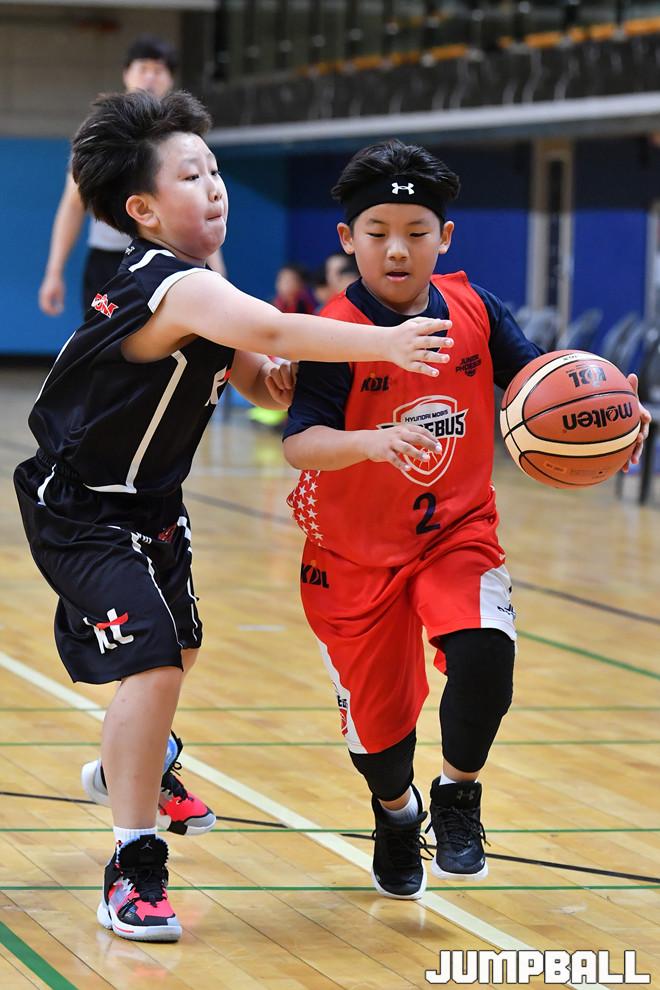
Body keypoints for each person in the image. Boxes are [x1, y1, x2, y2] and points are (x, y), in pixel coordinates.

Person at [14, 94, 451, 942]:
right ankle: (132, 864)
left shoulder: (203, 284)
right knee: (153, 662)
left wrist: (283, 386)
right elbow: (275, 328)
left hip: (152, 504)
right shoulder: (169, 283)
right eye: (191, 175)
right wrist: (387, 341)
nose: (214, 186)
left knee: (178, 650)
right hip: (82, 505)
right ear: (143, 209)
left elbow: (257, 373)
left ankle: (135, 762)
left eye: (215, 171)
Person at [282, 139, 651, 901]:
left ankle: (457, 794)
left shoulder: (476, 309)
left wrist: (611, 412)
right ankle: (396, 814)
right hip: (353, 553)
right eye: (378, 232)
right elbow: (300, 443)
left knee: (486, 653)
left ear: (444, 238)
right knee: (382, 739)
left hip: (457, 531)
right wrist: (370, 442)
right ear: (348, 239)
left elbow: (541, 383)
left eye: (417, 232)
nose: (397, 248)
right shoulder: (333, 330)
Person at [38, 35, 226, 319]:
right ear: (126, 73)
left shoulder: (184, 138)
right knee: (107, 338)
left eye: (159, 70)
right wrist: (54, 271)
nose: (150, 77)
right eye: (143, 68)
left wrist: (216, 266)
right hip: (110, 260)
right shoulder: (101, 131)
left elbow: (202, 204)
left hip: (171, 253)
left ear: (170, 79)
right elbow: (73, 204)